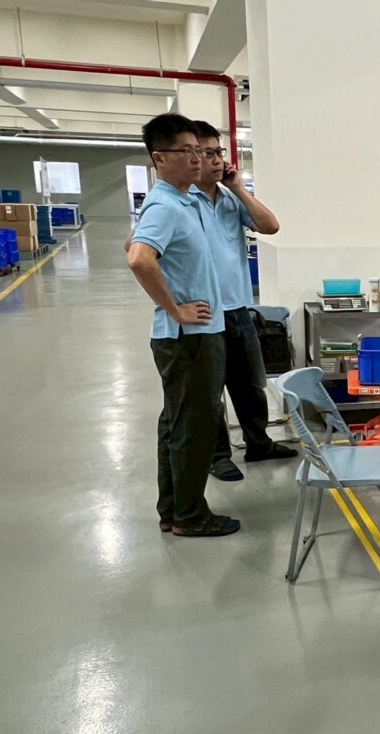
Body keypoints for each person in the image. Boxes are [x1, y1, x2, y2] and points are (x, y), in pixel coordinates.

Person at [126, 113, 239, 537]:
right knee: (194, 427)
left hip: (195, 336)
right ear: (159, 158)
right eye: (186, 151)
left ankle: (174, 510)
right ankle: (190, 516)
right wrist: (175, 309)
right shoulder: (167, 205)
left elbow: (133, 242)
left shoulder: (184, 201)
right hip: (189, 337)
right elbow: (139, 258)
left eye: (200, 151)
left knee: (178, 424)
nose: (197, 158)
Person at [186, 120, 297, 482]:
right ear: (191, 157)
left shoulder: (231, 198)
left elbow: (270, 226)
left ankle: (258, 443)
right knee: (210, 391)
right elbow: (137, 250)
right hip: (204, 314)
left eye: (219, 152)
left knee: (250, 384)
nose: (217, 160)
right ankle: (217, 455)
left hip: (238, 309)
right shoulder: (180, 200)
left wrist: (238, 187)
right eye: (208, 153)